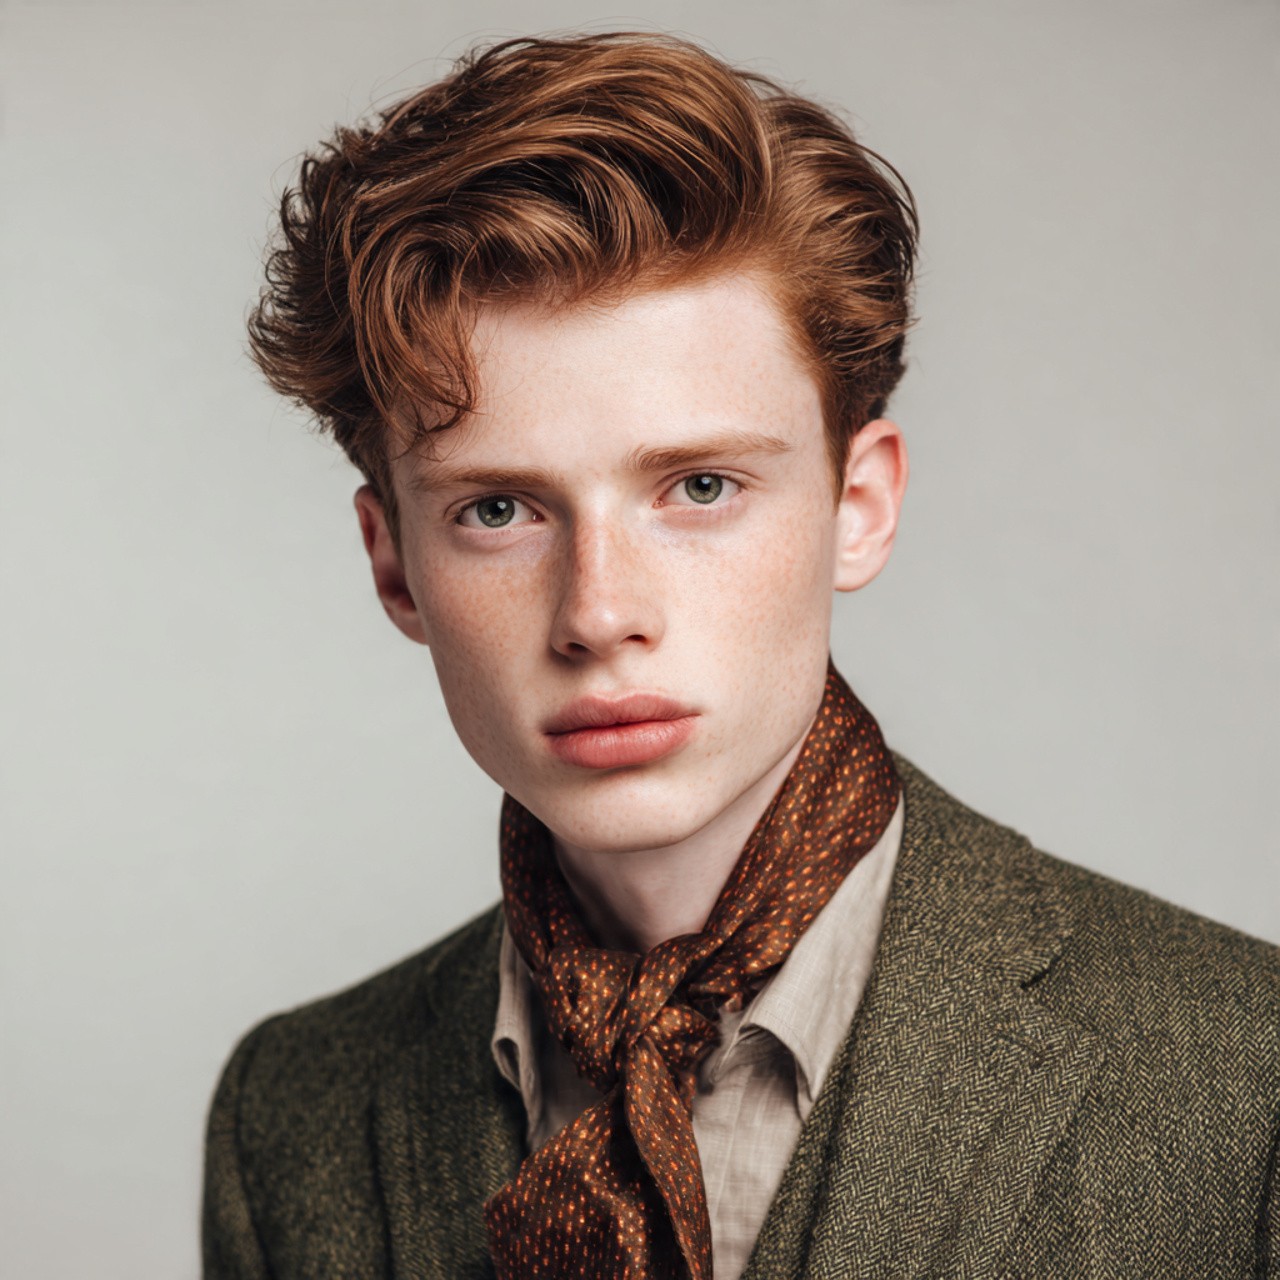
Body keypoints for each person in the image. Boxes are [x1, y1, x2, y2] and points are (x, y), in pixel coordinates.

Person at [202, 31, 1280, 1280]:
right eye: (497, 509)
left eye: (699, 485)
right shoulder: (293, 1114)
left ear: (857, 505)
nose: (598, 613)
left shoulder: (1247, 1082)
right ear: (394, 564)